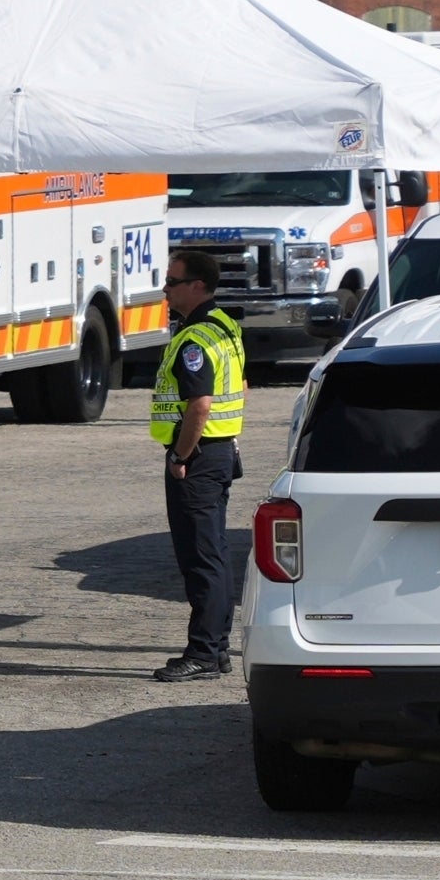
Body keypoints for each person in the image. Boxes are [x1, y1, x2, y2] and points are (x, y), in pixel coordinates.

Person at [151, 249, 249, 681]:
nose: (165, 289)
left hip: (199, 457)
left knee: (200, 558)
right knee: (215, 554)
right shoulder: (224, 326)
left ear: (196, 286)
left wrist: (180, 456)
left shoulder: (195, 340)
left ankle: (204, 654)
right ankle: (218, 648)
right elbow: (242, 384)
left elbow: (200, 406)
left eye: (172, 282)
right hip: (220, 451)